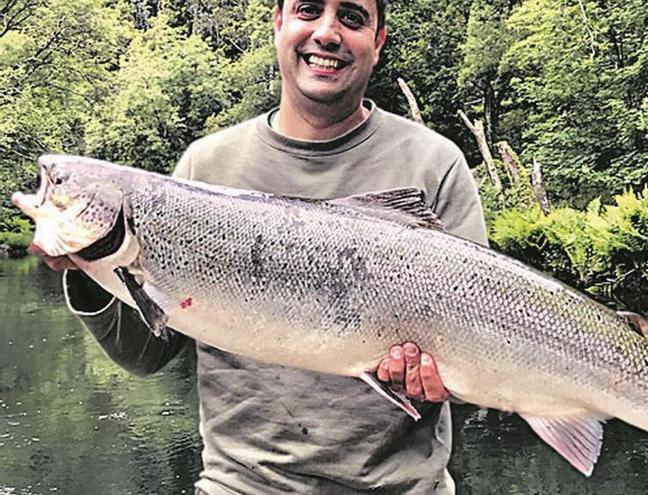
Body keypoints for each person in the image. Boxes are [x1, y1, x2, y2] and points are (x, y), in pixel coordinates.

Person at [32, 0, 488, 493]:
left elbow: (481, 347)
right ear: (279, 24)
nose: (328, 34)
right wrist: (85, 267)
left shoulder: (435, 164)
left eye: (352, 17)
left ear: (377, 41)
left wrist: (445, 381)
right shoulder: (205, 167)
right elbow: (147, 353)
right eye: (308, 11)